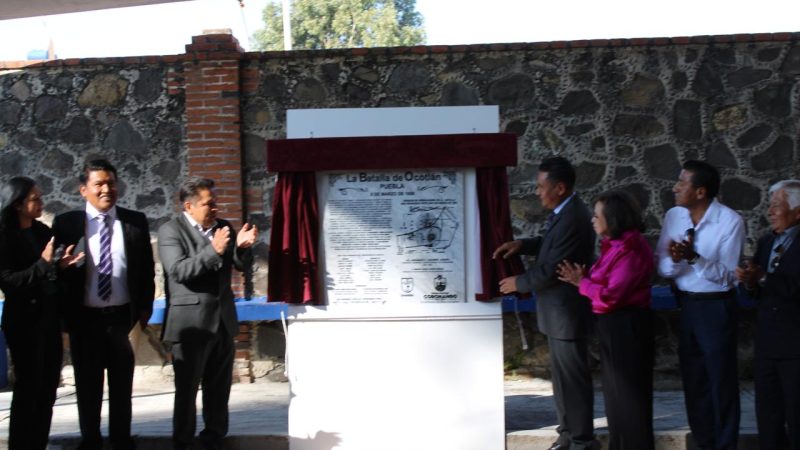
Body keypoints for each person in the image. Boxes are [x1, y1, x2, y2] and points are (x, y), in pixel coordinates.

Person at [493, 156, 597, 450]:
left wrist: (518, 283)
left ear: (560, 187)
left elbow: (552, 267)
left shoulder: (574, 217)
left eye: (541, 186)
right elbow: (549, 244)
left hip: (567, 311)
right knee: (562, 380)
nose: (537, 192)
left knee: (573, 380)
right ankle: (567, 434)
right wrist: (523, 245)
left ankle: (581, 440)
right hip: (557, 312)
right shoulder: (564, 213)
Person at [53, 159, 155, 450]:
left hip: (123, 318)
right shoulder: (67, 224)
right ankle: (91, 440)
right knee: (88, 386)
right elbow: (57, 273)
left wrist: (143, 312)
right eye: (99, 184)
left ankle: (121, 440)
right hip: (85, 320)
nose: (106, 189)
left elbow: (145, 270)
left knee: (122, 387)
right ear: (83, 189)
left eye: (111, 182)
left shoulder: (135, 221)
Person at [158, 177, 257, 450]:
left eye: (215, 202)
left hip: (222, 321)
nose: (215, 208)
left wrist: (243, 248)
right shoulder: (170, 232)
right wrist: (213, 250)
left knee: (219, 388)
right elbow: (178, 271)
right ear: (189, 206)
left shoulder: (223, 227)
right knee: (187, 391)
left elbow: (238, 265)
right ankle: (184, 442)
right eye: (208, 204)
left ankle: (214, 439)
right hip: (191, 325)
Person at [656, 160, 744, 450]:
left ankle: (725, 443)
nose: (676, 187)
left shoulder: (729, 222)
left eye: (683, 183)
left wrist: (694, 258)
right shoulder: (675, 216)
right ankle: (704, 442)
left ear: (701, 191)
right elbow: (664, 267)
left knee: (720, 380)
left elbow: (727, 278)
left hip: (716, 306)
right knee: (694, 380)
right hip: (687, 304)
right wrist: (676, 260)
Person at [557, 190, 655, 450]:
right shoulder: (613, 245)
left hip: (627, 327)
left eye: (597, 215)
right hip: (613, 327)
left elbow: (611, 296)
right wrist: (585, 278)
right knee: (616, 401)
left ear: (612, 217)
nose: (592, 220)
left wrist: (582, 283)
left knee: (629, 402)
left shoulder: (630, 248)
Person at [0, 177, 83, 450]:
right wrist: (44, 264)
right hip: (23, 321)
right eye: (35, 199)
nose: (41, 202)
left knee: (48, 388)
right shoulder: (4, 235)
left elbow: (48, 271)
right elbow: (9, 281)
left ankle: (38, 442)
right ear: (18, 204)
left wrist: (60, 266)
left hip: (49, 319)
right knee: (28, 389)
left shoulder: (41, 231)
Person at [736, 179, 800, 450]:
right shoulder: (766, 241)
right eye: (770, 206)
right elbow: (755, 295)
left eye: (777, 206)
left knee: (797, 416)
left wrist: (763, 279)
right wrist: (750, 282)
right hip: (767, 343)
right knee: (768, 415)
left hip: (796, 344)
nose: (770, 212)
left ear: (797, 211)